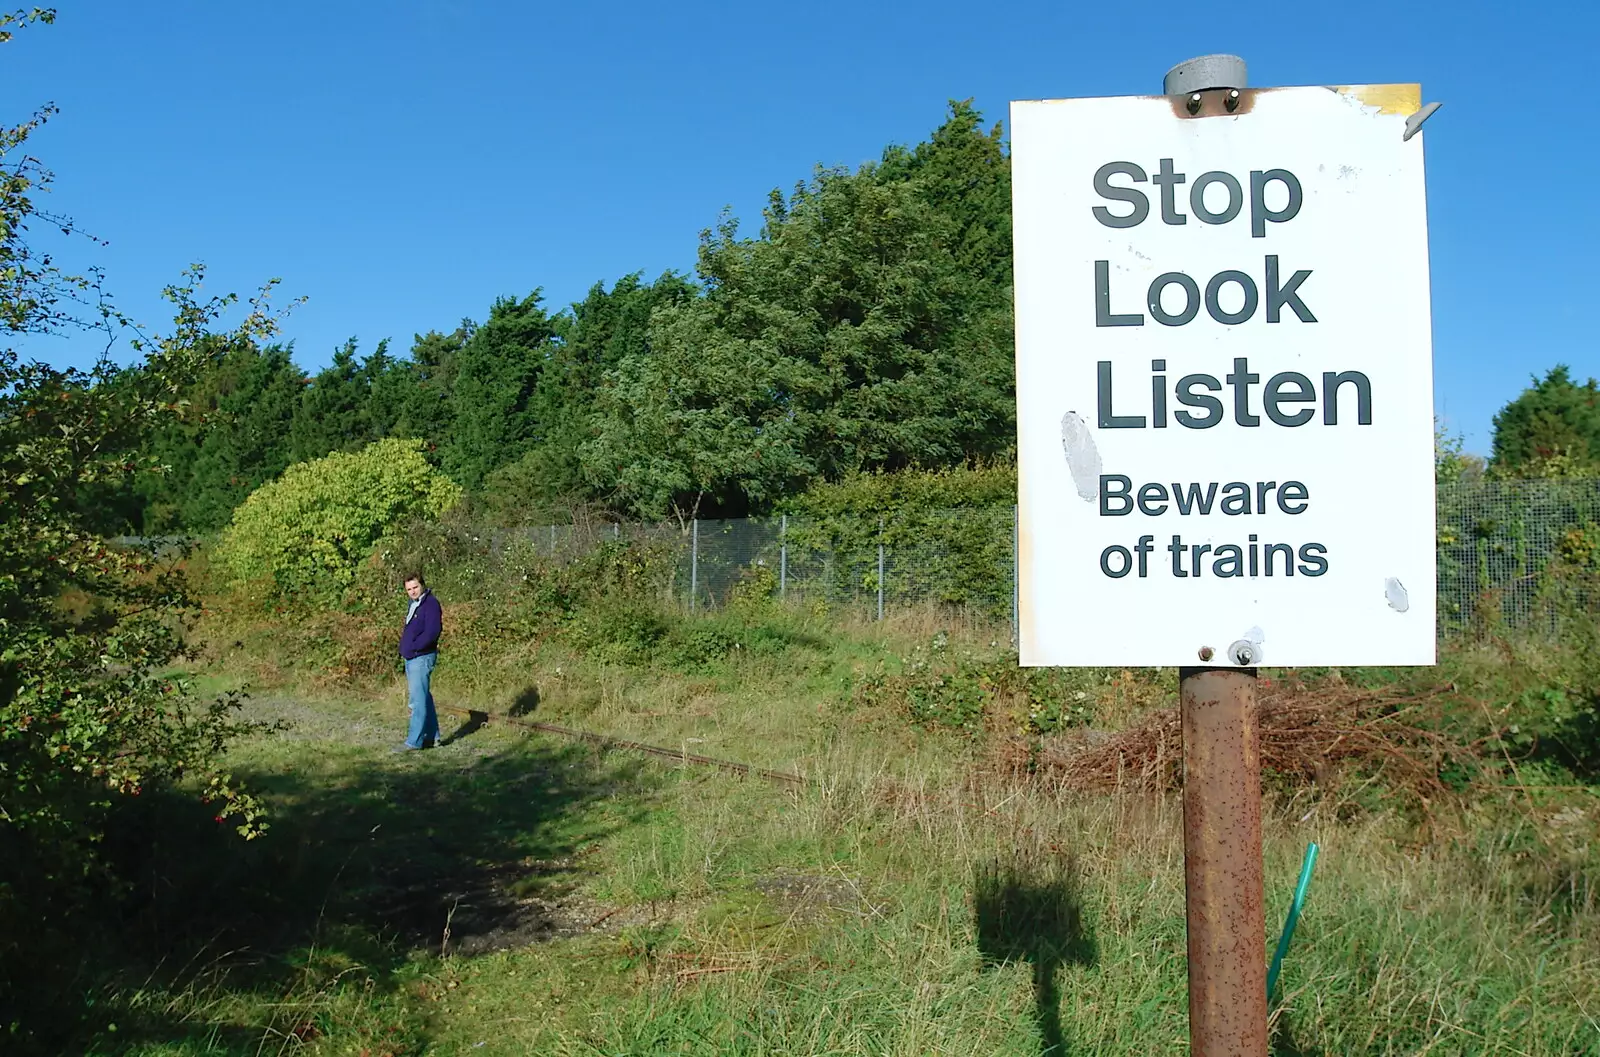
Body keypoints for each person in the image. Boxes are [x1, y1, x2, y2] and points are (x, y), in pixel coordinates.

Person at [396, 572, 442, 751]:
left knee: (417, 701)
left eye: (415, 587)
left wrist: (415, 648)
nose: (413, 591)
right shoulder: (414, 604)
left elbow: (432, 632)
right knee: (424, 698)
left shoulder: (430, 604)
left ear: (422, 585)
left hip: (421, 657)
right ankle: (433, 737)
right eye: (409, 589)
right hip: (412, 656)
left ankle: (414, 741)